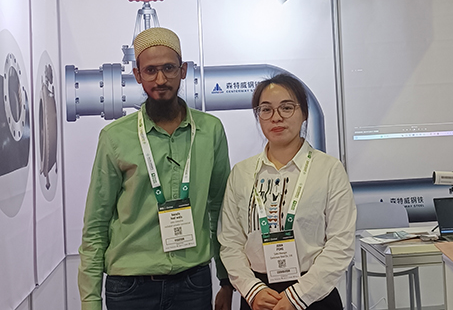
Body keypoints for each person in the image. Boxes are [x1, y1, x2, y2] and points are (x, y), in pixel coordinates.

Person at [78, 27, 233, 310]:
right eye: (150, 71)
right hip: (130, 288)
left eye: (169, 68)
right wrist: (90, 301)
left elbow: (220, 209)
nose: (160, 79)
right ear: (138, 75)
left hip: (193, 284)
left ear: (183, 70)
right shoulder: (115, 137)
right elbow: (96, 224)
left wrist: (226, 280)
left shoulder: (210, 130)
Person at [218, 74, 356, 310]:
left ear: (304, 113)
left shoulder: (329, 169)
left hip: (314, 296)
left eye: (287, 107)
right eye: (266, 109)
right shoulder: (242, 173)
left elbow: (340, 243)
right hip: (259, 298)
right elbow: (230, 242)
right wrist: (252, 290)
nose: (276, 117)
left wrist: (298, 296)